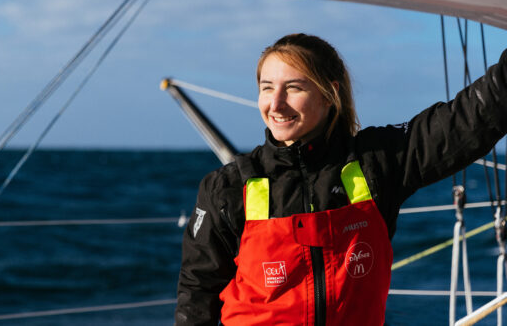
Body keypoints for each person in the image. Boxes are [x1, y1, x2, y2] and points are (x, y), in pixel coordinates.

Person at [174, 33, 507, 326]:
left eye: (293, 88)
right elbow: (196, 295)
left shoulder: (376, 162)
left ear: (328, 93)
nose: (275, 104)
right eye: (267, 88)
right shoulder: (227, 188)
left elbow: (468, 119)